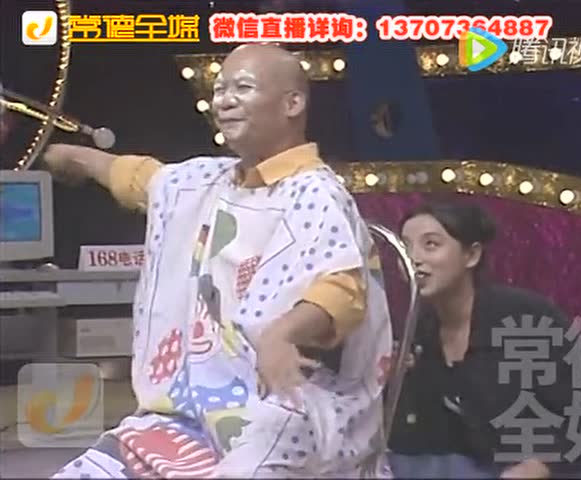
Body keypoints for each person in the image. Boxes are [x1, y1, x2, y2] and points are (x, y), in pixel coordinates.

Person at [43, 44, 392, 478]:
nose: (224, 100)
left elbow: (342, 288)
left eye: (242, 88)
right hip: (189, 412)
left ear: (292, 103)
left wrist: (281, 335)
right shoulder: (209, 180)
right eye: (220, 89)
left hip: (284, 407)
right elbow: (142, 178)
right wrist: (74, 157)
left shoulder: (315, 192)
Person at [387, 200, 581, 479]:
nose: (413, 258)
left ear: (471, 255)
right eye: (405, 247)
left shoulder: (523, 316)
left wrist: (540, 465)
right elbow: (429, 439)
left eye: (431, 245)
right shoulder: (418, 329)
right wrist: (397, 384)